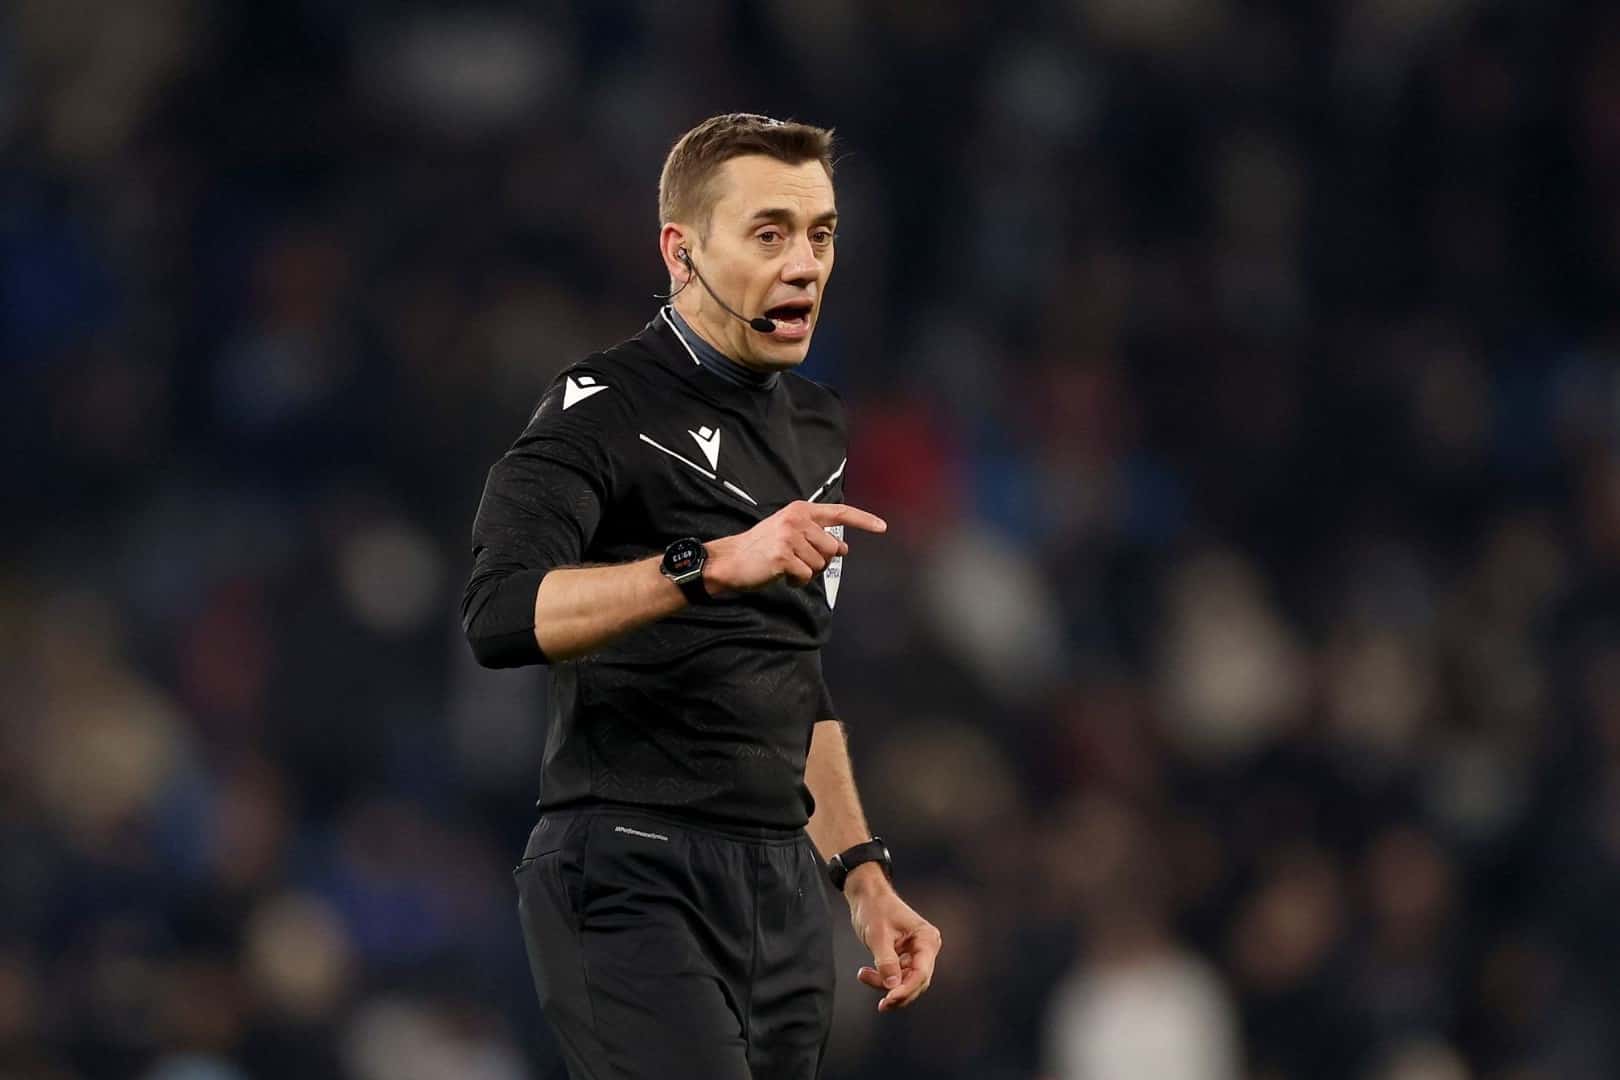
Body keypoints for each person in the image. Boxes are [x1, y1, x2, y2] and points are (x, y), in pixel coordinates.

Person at [460, 113, 942, 1080]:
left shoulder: (815, 424)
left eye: (822, 234)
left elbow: (793, 680)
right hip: (632, 868)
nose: (805, 263)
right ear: (683, 250)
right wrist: (704, 565)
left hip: (778, 888)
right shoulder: (601, 404)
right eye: (769, 234)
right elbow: (500, 614)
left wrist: (862, 876)